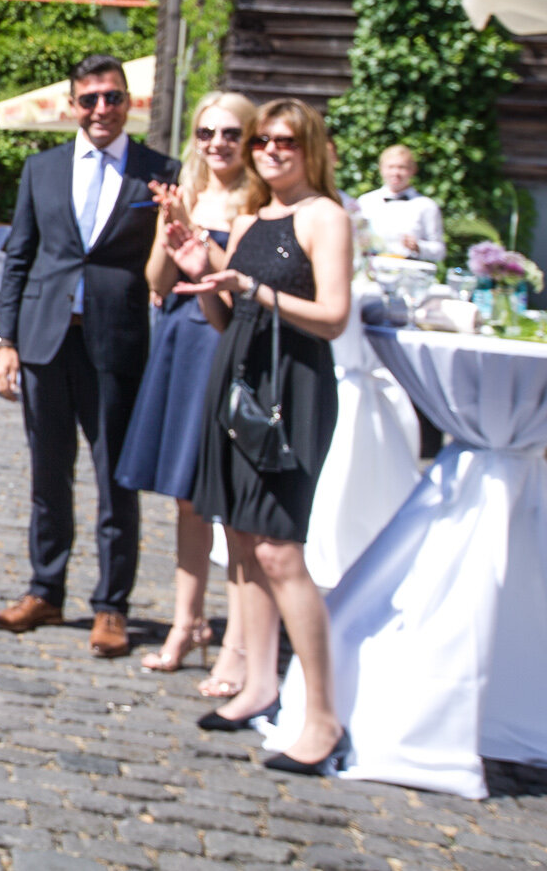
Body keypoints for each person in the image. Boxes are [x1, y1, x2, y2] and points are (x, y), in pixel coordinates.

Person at [168, 97, 354, 776]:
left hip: (292, 389)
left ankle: (322, 715)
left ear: (311, 149)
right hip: (239, 380)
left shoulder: (323, 217)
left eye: (287, 141)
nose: (272, 151)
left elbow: (333, 316)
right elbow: (224, 316)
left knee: (279, 549)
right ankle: (257, 685)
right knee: (242, 539)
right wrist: (203, 272)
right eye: (262, 142)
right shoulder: (249, 218)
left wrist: (251, 284)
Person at [0, 54, 180, 657]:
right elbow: (20, 258)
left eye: (114, 98)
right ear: (73, 105)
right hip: (45, 341)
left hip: (117, 343)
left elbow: (169, 260)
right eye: (91, 98)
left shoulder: (159, 172)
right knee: (49, 475)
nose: (102, 109)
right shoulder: (41, 170)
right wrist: (6, 340)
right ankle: (45, 590)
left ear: (130, 104)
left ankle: (111, 606)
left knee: (114, 479)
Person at [117, 92, 258, 693]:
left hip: (225, 342)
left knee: (225, 499)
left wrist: (204, 246)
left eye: (229, 133)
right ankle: (186, 621)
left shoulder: (259, 198)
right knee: (184, 496)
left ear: (249, 137)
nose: (216, 143)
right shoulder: (186, 191)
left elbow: (244, 288)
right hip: (178, 336)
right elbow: (155, 281)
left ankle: (239, 641)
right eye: (205, 133)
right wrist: (170, 230)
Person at [357, 144, 443, 263]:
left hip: (410, 273)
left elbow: (439, 251)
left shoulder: (426, 206)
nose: (395, 172)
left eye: (402, 167)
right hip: (372, 269)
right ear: (381, 169)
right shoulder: (365, 201)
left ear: (413, 170)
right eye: (390, 167)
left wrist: (418, 246)